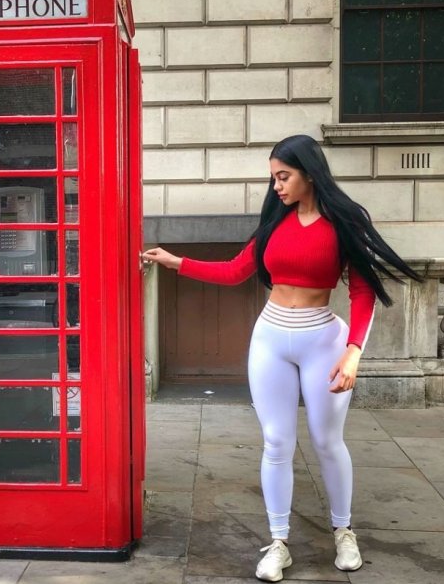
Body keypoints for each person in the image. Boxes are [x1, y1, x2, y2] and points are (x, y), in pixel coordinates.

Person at [142, 134, 422, 582]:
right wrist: (176, 262)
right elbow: (235, 271)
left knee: (327, 441)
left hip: (323, 340)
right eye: (273, 177)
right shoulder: (274, 223)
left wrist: (353, 353)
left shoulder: (345, 221)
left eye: (283, 176)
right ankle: (278, 542)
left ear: (309, 173)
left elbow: (364, 291)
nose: (276, 186)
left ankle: (344, 531)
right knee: (276, 442)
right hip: (270, 338)